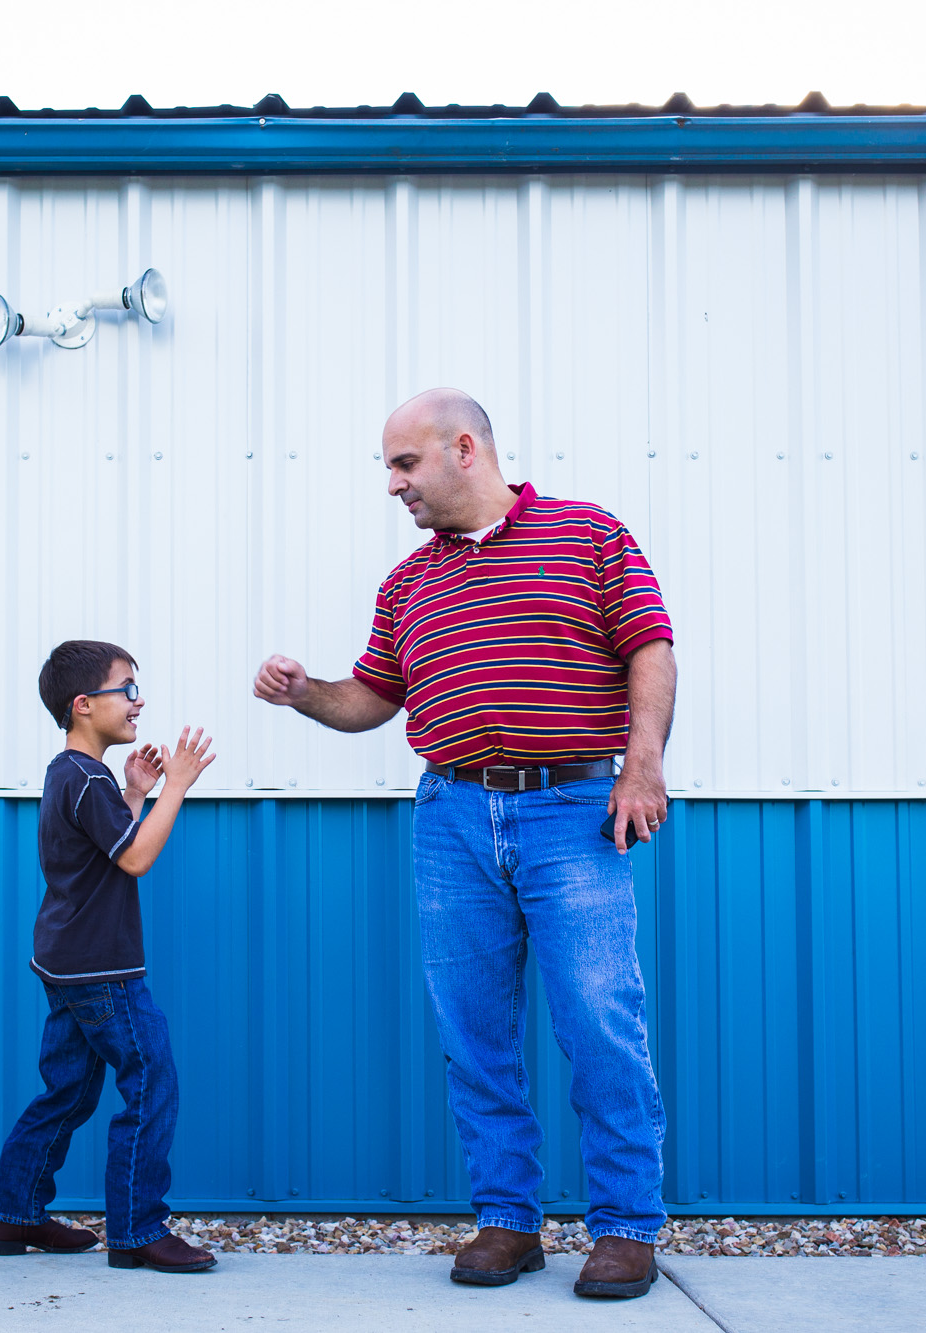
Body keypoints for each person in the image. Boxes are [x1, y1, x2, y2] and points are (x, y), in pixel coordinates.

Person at [254, 388, 676, 1300]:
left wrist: (641, 768)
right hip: (451, 816)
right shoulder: (407, 582)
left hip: (573, 809)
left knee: (600, 1014)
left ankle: (628, 1226)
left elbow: (650, 645)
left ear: (463, 449)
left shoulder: (588, 534)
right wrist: (305, 691)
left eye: (403, 465)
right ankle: (507, 1220)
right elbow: (372, 698)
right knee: (473, 1028)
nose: (393, 486)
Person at [0, 639, 220, 1272]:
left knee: (66, 1092)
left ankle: (16, 1215)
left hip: (67, 960)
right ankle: (138, 1230)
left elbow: (107, 845)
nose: (139, 701)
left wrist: (137, 794)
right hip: (100, 968)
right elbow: (136, 859)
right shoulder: (84, 778)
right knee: (151, 1082)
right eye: (128, 689)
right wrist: (176, 785)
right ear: (84, 704)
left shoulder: (74, 774)